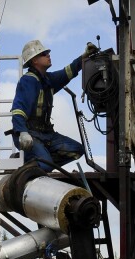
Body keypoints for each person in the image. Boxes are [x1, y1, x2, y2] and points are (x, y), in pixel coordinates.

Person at [10, 39, 98, 172]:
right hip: (30, 134)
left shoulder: (48, 80)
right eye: (44, 54)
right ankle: (39, 162)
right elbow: (18, 110)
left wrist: (84, 57)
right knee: (46, 165)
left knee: (77, 150)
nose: (48, 55)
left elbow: (68, 71)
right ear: (34, 61)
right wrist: (22, 132)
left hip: (47, 134)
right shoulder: (28, 81)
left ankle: (33, 161)